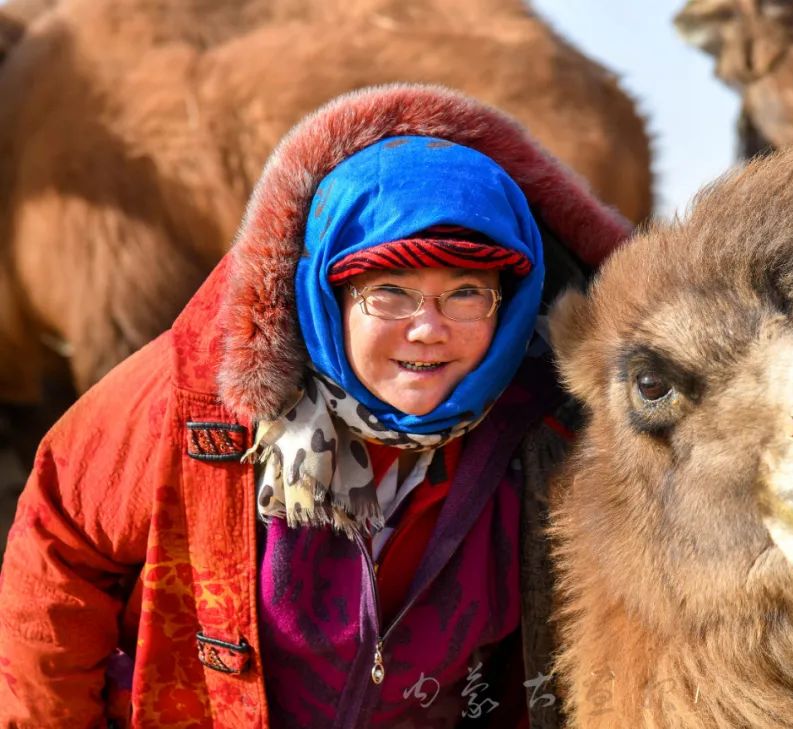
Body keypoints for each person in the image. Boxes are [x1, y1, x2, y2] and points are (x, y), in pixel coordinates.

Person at [0, 84, 631, 727]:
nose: (427, 328)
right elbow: (57, 557)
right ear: (329, 294)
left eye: (466, 293)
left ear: (511, 303)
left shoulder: (548, 436)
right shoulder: (189, 398)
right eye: (390, 291)